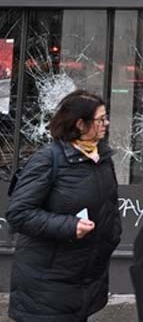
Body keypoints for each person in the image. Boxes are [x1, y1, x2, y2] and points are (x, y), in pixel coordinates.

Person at [6, 90, 121, 322]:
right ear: (80, 124)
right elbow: (18, 214)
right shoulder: (48, 160)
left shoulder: (101, 159)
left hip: (83, 281)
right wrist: (69, 226)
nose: (106, 123)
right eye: (101, 119)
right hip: (46, 288)